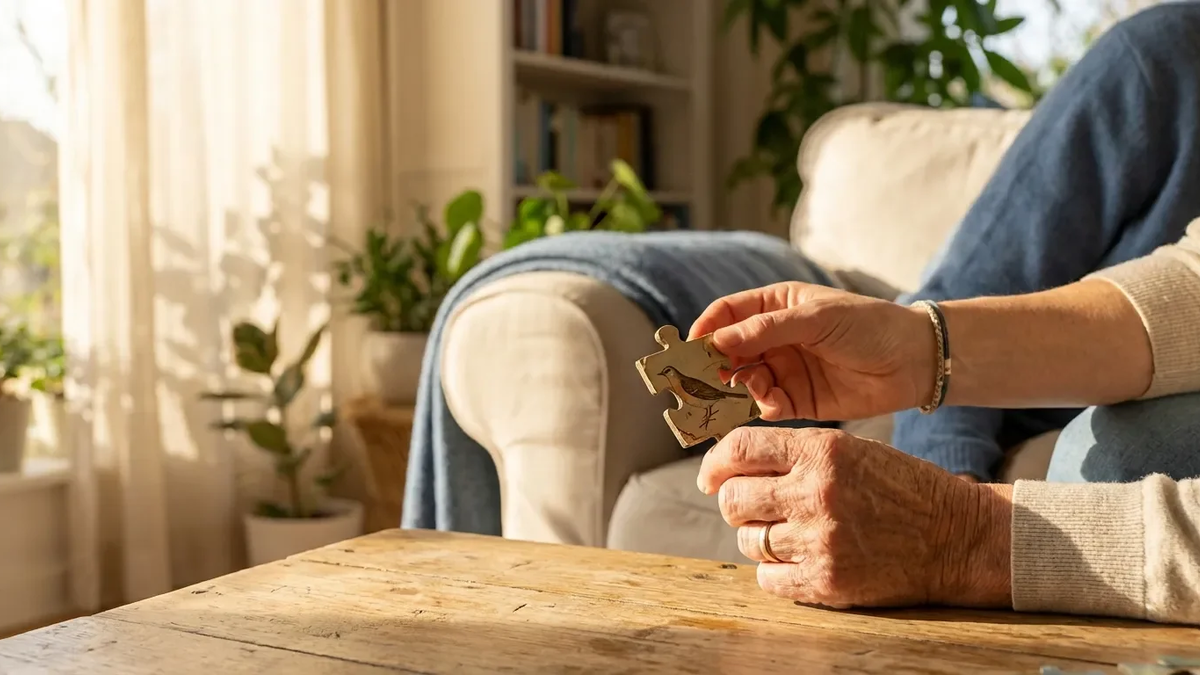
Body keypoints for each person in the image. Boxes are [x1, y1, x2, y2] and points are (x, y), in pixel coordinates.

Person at [684, 3, 1200, 625]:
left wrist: (963, 539)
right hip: (1000, 405)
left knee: (1115, 456)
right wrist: (924, 349)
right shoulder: (1161, 58)